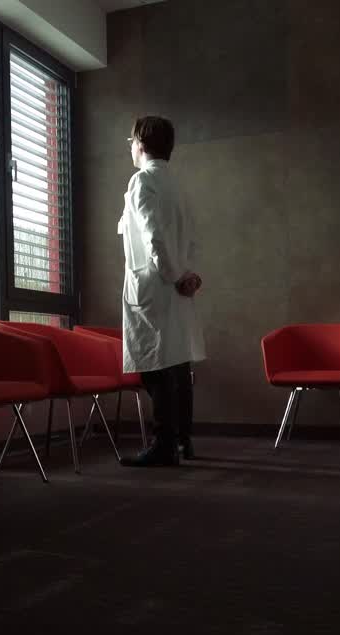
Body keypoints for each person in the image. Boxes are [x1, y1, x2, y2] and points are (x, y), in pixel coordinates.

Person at [118, 116, 206, 467]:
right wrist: (189, 275)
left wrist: (173, 274)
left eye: (131, 140)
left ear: (140, 143)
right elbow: (192, 238)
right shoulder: (178, 186)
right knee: (177, 365)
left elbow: (153, 235)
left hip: (157, 285)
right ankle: (183, 440)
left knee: (156, 368)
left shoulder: (143, 181)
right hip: (177, 286)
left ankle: (163, 445)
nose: (130, 147)